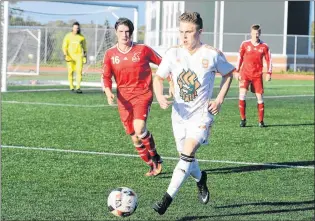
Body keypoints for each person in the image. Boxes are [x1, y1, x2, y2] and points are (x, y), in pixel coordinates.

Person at [152, 12, 234, 215]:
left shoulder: (212, 54)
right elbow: (158, 77)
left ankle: (166, 199)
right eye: (181, 32)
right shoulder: (172, 53)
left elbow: (229, 74)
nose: (184, 36)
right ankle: (200, 179)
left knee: (187, 153)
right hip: (179, 115)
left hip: (201, 115)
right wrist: (160, 96)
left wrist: (219, 99)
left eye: (189, 32)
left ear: (200, 31)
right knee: (186, 158)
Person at [102, 17, 171, 176]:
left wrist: (171, 81)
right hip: (123, 99)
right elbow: (106, 76)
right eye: (121, 31)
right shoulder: (110, 54)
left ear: (131, 33)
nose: (124, 35)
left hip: (142, 94)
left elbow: (164, 63)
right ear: (116, 32)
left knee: (140, 128)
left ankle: (155, 157)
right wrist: (108, 91)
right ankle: (151, 164)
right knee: (135, 138)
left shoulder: (143, 49)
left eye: (127, 31)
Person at [234, 24, 272, 127]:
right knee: (242, 95)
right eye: (254, 33)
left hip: (257, 75)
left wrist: (269, 73)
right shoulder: (245, 44)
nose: (256, 35)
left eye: (258, 33)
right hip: (245, 74)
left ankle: (261, 122)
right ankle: (243, 119)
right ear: (250, 33)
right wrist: (236, 71)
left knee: (260, 98)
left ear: (260, 34)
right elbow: (240, 58)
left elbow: (269, 60)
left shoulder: (264, 46)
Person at [62, 21, 87, 93]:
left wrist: (85, 56)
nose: (76, 29)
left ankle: (78, 88)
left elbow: (84, 47)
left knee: (79, 72)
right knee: (70, 72)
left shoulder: (82, 37)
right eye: (75, 28)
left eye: (78, 28)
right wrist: (65, 55)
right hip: (70, 56)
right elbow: (64, 46)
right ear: (72, 28)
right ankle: (71, 87)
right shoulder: (68, 36)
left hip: (79, 57)